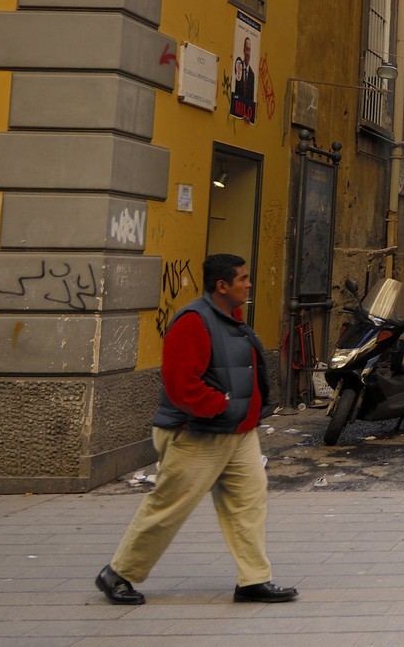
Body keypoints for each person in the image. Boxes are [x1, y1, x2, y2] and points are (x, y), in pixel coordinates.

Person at [95, 254, 298, 605]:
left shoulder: (229, 319)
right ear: (222, 286)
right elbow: (181, 386)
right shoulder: (193, 321)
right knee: (170, 506)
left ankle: (253, 580)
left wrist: (242, 413)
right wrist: (220, 406)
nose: (249, 284)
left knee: (248, 503)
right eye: (243, 279)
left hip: (238, 434)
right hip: (200, 433)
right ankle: (118, 573)